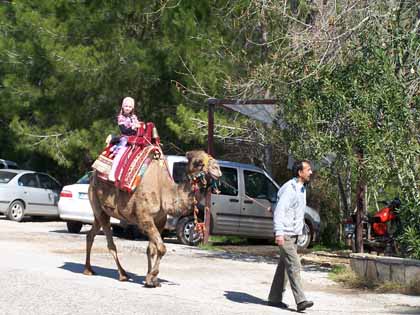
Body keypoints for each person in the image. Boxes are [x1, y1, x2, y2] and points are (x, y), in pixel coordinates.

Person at [268, 160, 314, 312]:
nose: (311, 172)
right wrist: (279, 233)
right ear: (300, 172)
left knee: (284, 267)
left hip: (293, 234)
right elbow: (280, 211)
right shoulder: (290, 188)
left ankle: (274, 298)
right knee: (294, 265)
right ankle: (301, 301)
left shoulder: (301, 188)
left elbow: (292, 210)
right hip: (286, 234)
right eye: (308, 169)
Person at [108, 96, 140, 181]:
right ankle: (112, 173)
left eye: (130, 107)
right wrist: (133, 128)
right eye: (126, 106)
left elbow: (138, 128)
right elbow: (124, 131)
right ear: (123, 106)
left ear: (132, 108)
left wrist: (138, 127)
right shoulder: (121, 117)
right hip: (124, 139)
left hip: (134, 140)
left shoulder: (134, 117)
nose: (128, 108)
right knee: (120, 154)